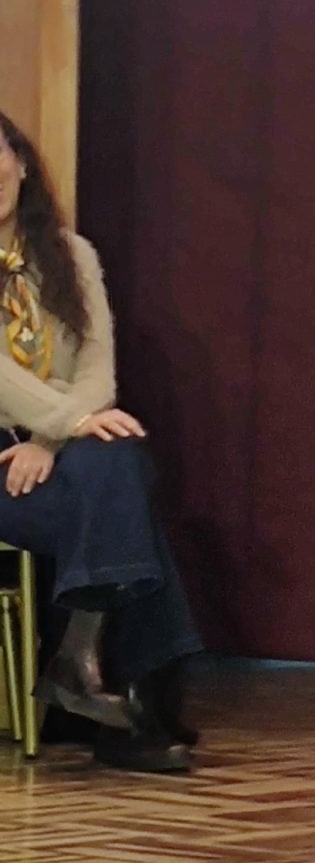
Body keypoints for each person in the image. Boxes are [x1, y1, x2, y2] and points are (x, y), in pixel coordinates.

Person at [0, 111, 201, 773]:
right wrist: (64, 425)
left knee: (113, 463)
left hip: (54, 453)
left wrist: (50, 440)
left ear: (20, 161)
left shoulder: (72, 254)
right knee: (123, 495)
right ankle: (133, 700)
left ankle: (83, 670)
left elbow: (98, 370)